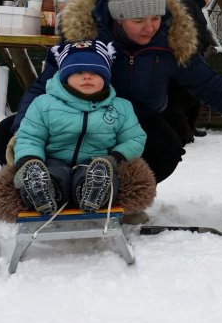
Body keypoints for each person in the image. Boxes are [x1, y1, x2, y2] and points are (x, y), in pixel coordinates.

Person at [0, 0, 222, 222]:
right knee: (6, 136)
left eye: (156, 18)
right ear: (118, 18)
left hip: (136, 120)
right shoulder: (85, 37)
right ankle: (50, 187)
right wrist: (20, 130)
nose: (151, 27)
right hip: (75, 113)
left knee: (166, 146)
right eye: (139, 20)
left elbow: (211, 86)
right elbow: (44, 86)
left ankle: (120, 197)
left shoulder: (170, 40)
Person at [12, 39, 146, 215]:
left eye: (95, 73)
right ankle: (43, 191)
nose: (87, 77)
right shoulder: (44, 104)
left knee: (105, 177)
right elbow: (30, 137)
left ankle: (92, 192)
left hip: (97, 163)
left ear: (105, 78)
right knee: (54, 176)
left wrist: (114, 159)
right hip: (53, 161)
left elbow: (134, 138)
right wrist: (29, 161)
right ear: (65, 76)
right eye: (79, 72)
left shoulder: (120, 108)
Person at [165, 0, 218, 142]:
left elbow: (200, 31)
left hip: (194, 56)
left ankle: (189, 128)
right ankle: (182, 131)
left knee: (194, 95)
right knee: (184, 95)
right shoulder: (189, 4)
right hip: (188, 58)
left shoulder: (194, 4)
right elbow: (187, 31)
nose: (209, 1)